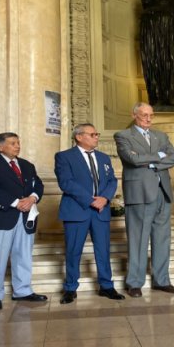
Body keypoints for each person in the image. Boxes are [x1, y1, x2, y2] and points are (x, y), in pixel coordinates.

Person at [114, 102, 174, 297]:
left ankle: (162, 281)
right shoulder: (123, 136)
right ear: (134, 115)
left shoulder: (161, 136)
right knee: (138, 238)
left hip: (163, 191)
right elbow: (132, 159)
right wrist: (158, 156)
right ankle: (134, 282)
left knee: (162, 239)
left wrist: (151, 162)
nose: (149, 119)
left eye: (151, 115)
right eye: (144, 115)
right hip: (140, 192)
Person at [55, 123, 124, 304]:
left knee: (103, 250)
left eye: (97, 134)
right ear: (79, 137)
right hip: (77, 210)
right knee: (73, 250)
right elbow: (66, 182)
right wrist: (91, 200)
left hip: (101, 211)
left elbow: (112, 180)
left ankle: (107, 286)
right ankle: (70, 288)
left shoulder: (103, 157)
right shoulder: (64, 157)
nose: (97, 137)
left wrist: (105, 198)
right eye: (93, 134)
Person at [0, 132, 47, 311]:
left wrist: (32, 198)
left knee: (23, 256)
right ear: (0, 146)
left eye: (18, 143)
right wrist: (16, 203)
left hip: (26, 218)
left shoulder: (26, 165)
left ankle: (23, 290)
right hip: (0, 217)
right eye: (13, 143)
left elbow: (38, 185)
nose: (17, 146)